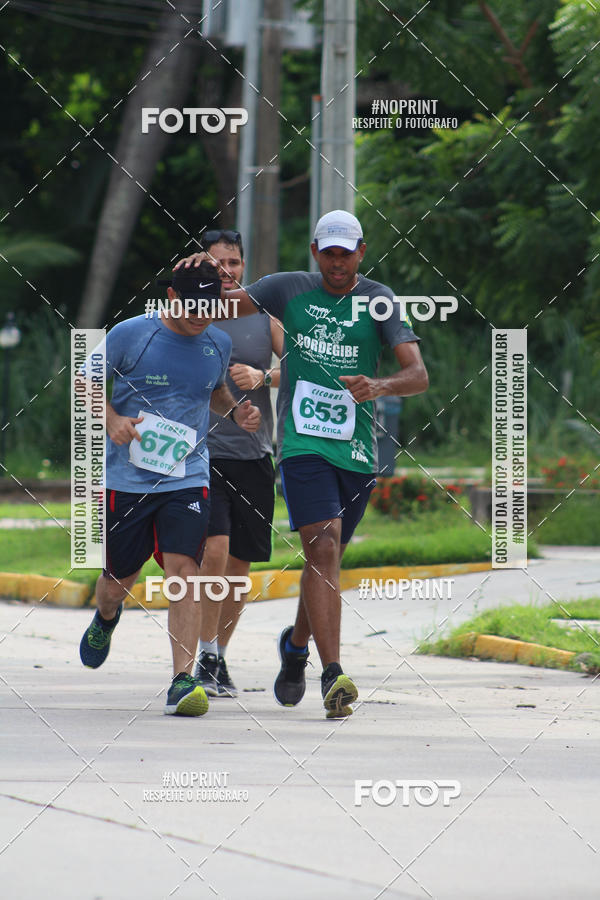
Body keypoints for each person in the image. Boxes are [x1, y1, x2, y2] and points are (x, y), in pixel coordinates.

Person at [175, 209, 429, 718]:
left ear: (361, 252)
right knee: (322, 544)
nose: (337, 262)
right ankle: (333, 674)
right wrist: (197, 276)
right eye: (328, 252)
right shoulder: (286, 288)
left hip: (356, 449)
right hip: (301, 443)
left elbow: (418, 374)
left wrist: (378, 385)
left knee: (325, 560)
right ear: (315, 252)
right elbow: (218, 306)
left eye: (346, 253)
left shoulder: (379, 300)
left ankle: (295, 647)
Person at [77, 267, 261, 716]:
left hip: (187, 476)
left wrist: (236, 411)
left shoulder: (218, 342)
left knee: (185, 571)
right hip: (128, 480)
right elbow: (84, 382)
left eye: (209, 306)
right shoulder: (132, 334)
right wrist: (112, 420)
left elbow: (213, 390)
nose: (201, 315)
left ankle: (182, 680)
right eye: (192, 305)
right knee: (117, 582)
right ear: (173, 296)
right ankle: (106, 616)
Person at [192, 229, 283, 698]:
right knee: (214, 552)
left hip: (254, 456)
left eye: (234, 262)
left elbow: (307, 366)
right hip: (200, 456)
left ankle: (218, 657)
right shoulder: (192, 314)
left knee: (240, 566)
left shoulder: (265, 316)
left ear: (244, 266)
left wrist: (264, 375)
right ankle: (204, 651)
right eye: (218, 263)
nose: (227, 271)